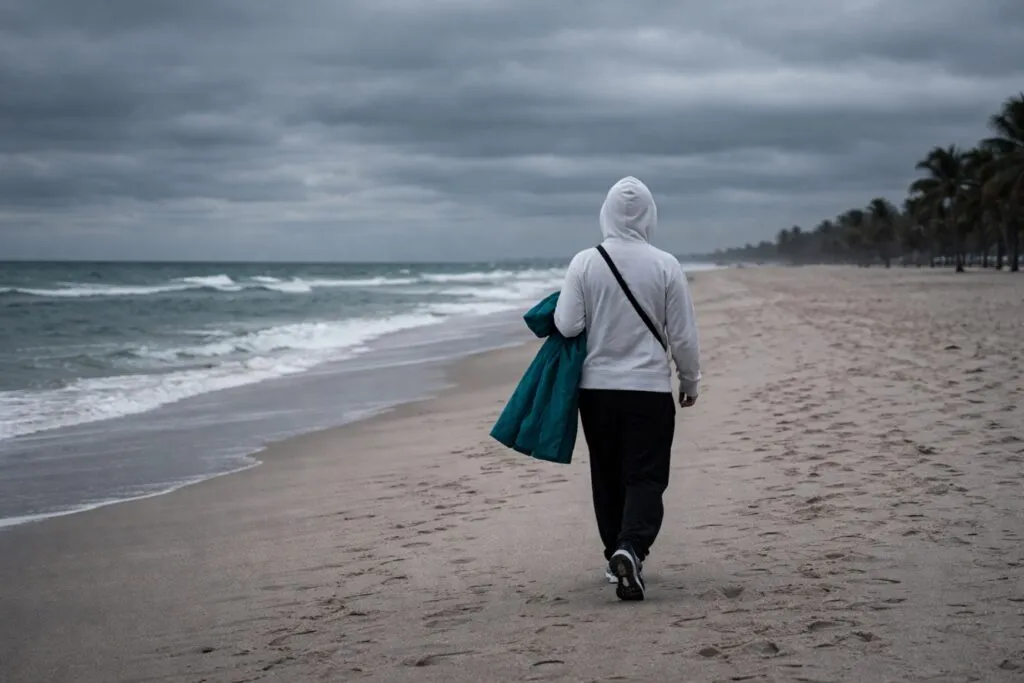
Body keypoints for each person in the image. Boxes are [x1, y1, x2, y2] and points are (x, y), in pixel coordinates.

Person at [553, 176, 701, 601]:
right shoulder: (665, 265)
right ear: (650, 216)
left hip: (596, 393)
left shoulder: (584, 262)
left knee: (607, 474)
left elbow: (567, 325)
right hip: (649, 391)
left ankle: (614, 553)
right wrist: (690, 381)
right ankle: (631, 547)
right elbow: (684, 336)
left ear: (606, 213)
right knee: (646, 476)